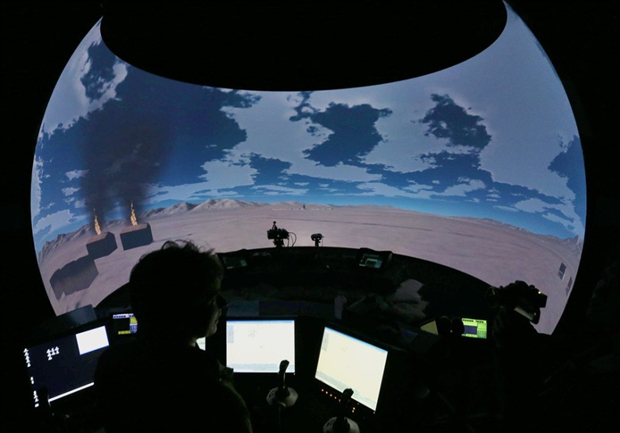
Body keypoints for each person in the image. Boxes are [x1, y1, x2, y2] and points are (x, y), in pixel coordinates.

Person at [95, 240, 253, 433]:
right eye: (212, 298)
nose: (223, 303)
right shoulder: (216, 395)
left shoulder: (111, 365)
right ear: (185, 311)